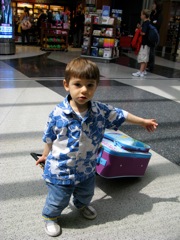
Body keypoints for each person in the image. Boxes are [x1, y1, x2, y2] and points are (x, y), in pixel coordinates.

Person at [36, 57, 158, 237]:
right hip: (61, 169)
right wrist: (45, 156)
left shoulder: (100, 111)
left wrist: (143, 122)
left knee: (86, 193)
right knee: (58, 198)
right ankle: (50, 216)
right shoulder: (57, 114)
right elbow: (49, 138)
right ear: (66, 85)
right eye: (78, 84)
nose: (84, 90)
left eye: (90, 85)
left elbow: (121, 115)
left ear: (96, 86)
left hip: (86, 168)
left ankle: (81, 204)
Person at [132, 9, 151, 77]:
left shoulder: (146, 23)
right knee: (145, 58)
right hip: (147, 43)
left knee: (142, 58)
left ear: (144, 15)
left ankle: (140, 72)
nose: (140, 16)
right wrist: (140, 28)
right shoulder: (148, 22)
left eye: (141, 14)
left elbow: (143, 33)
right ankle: (143, 70)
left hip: (144, 44)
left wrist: (138, 31)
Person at [147, 0, 163, 72]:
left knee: (152, 51)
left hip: (154, 35)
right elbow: (150, 22)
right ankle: (147, 65)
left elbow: (157, 25)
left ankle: (151, 66)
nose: (152, 5)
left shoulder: (160, 14)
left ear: (157, 5)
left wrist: (152, 23)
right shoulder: (152, 13)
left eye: (154, 4)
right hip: (149, 33)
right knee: (148, 50)